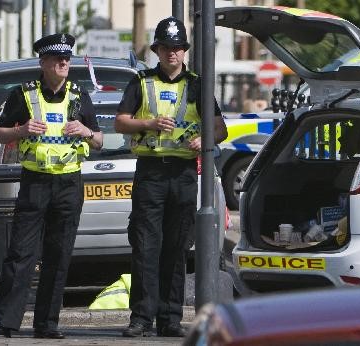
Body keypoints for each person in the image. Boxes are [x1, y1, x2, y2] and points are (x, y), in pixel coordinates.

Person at [0, 33, 103, 339]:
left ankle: (47, 324)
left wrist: (85, 130)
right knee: (20, 254)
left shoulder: (79, 95)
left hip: (69, 183)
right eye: (57, 59)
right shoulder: (24, 95)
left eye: (67, 58)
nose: (64, 63)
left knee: (59, 255)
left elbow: (98, 141)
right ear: (43, 63)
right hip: (36, 182)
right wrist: (20, 128)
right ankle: (3, 322)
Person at [115, 17, 228, 338]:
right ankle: (141, 318)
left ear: (184, 51)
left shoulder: (198, 84)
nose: (172, 54)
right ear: (157, 50)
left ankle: (169, 318)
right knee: (146, 247)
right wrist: (149, 124)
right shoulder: (141, 82)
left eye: (177, 48)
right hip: (150, 173)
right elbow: (121, 123)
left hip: (182, 174)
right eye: (166, 48)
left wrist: (205, 140)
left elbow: (220, 128)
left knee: (176, 248)